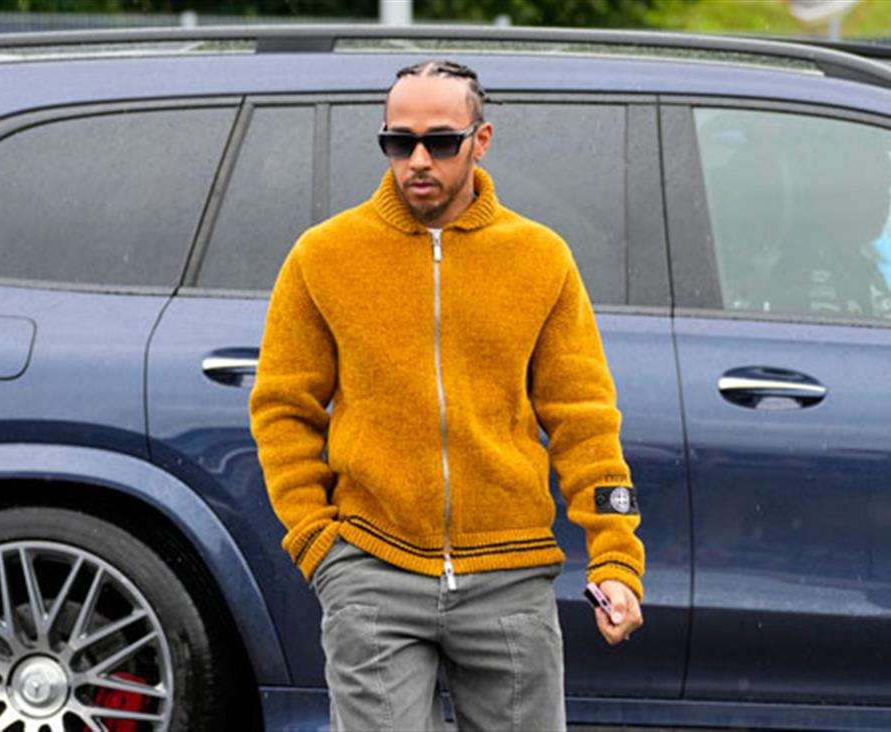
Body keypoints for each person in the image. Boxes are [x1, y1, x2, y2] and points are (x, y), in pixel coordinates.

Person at [249, 59, 645, 731]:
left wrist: (615, 555)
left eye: (440, 141)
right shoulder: (324, 256)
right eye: (398, 142)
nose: (418, 160)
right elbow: (282, 408)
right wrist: (319, 544)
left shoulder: (540, 257)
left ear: (480, 140)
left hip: (511, 574)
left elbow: (583, 418)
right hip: (373, 570)